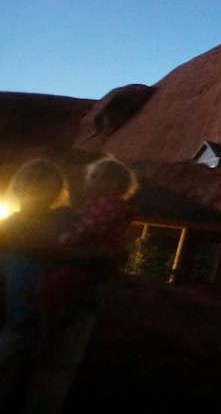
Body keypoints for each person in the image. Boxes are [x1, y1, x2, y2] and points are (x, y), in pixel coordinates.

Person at [26, 157, 137, 414]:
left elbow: (88, 233)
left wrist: (62, 244)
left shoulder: (103, 209)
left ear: (112, 184)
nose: (89, 182)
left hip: (77, 286)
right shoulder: (94, 209)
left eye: (96, 178)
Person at [0, 159, 73, 410]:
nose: (32, 188)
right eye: (28, 181)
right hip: (16, 316)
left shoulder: (64, 221)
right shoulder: (10, 224)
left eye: (40, 183)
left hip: (48, 317)